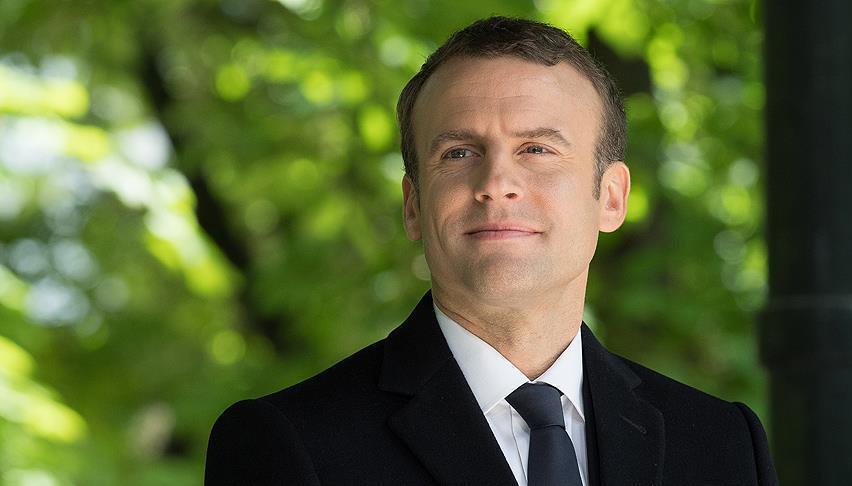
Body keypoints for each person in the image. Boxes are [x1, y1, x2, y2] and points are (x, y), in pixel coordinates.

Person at [205, 16, 778, 485]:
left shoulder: (722, 443)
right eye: (458, 153)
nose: (496, 183)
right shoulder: (289, 443)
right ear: (413, 205)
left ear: (611, 197)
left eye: (536, 149)